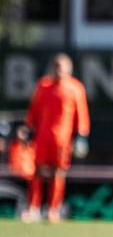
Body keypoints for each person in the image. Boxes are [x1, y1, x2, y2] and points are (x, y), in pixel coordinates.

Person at [20, 54, 90, 223]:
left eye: (63, 67)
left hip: (63, 140)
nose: (60, 70)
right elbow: (34, 110)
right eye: (57, 66)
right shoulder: (43, 85)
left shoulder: (75, 88)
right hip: (43, 137)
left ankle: (53, 210)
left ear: (70, 69)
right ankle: (33, 208)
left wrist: (81, 136)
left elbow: (82, 114)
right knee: (38, 172)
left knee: (58, 174)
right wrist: (28, 128)